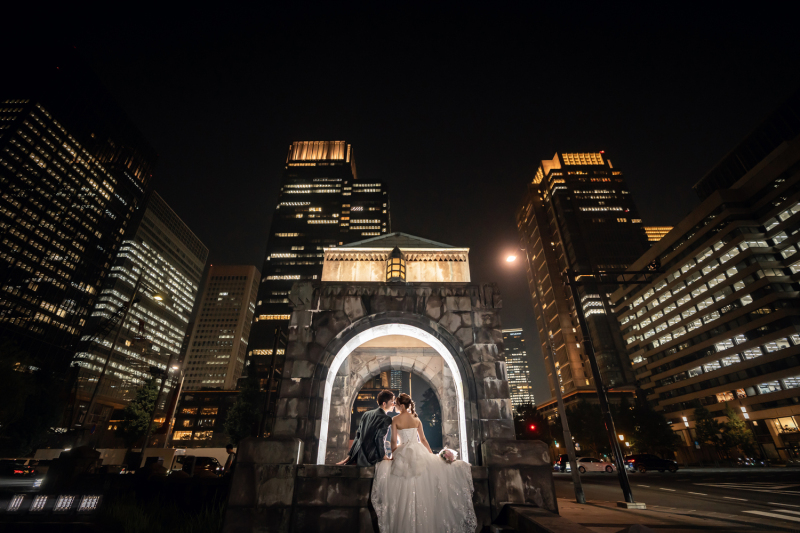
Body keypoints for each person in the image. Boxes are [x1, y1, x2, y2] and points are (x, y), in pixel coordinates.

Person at [371, 392, 476, 532]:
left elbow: (393, 441)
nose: (394, 405)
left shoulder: (395, 419)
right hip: (419, 451)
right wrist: (431, 455)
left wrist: (394, 455)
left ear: (402, 405)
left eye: (396, 403)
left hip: (403, 453)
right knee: (422, 488)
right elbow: (423, 440)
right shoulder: (416, 419)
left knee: (404, 488)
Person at [336, 390, 395, 467]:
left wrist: (350, 456)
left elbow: (358, 436)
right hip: (372, 457)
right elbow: (379, 438)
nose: (393, 404)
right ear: (384, 404)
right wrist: (383, 456)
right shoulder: (386, 418)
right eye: (392, 402)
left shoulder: (366, 414)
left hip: (359, 455)